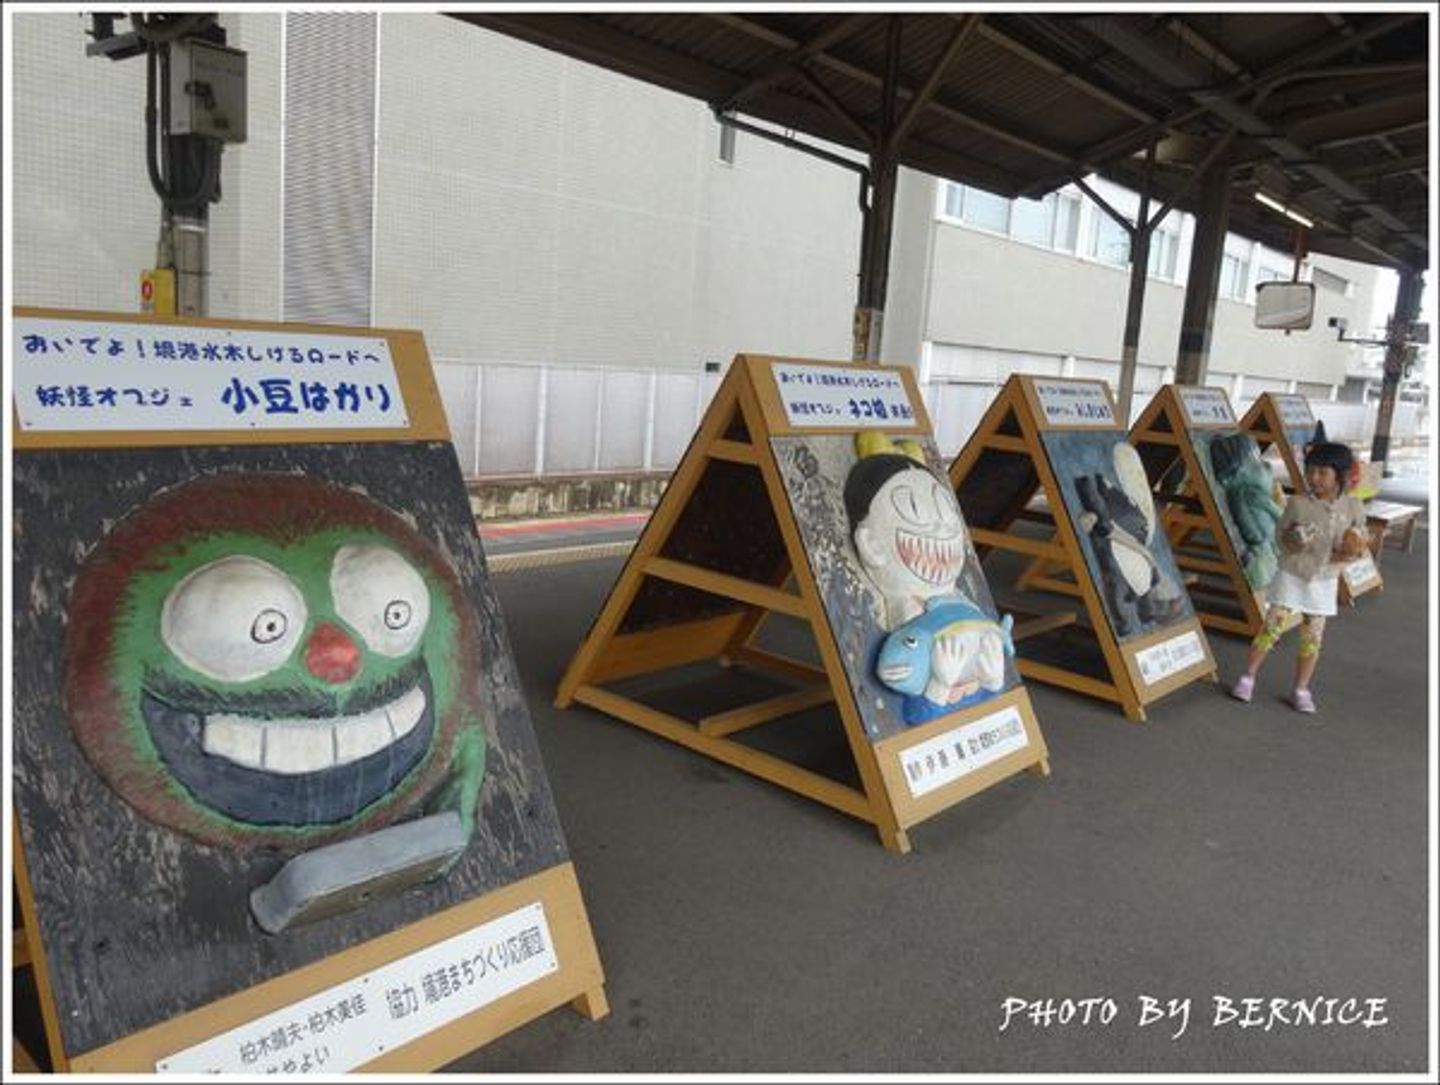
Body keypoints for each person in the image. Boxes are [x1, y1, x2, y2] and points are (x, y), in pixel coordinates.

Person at [1229, 441, 1369, 715]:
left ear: (1340, 475)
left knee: (1312, 636)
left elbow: (1361, 537)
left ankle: (1301, 689)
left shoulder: (1353, 506)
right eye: (1311, 471)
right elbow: (1280, 536)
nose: (1314, 478)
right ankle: (1248, 677)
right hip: (1292, 573)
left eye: (1322, 473)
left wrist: (1352, 548)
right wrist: (1293, 540)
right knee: (1272, 626)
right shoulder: (1297, 503)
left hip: (1325, 579)